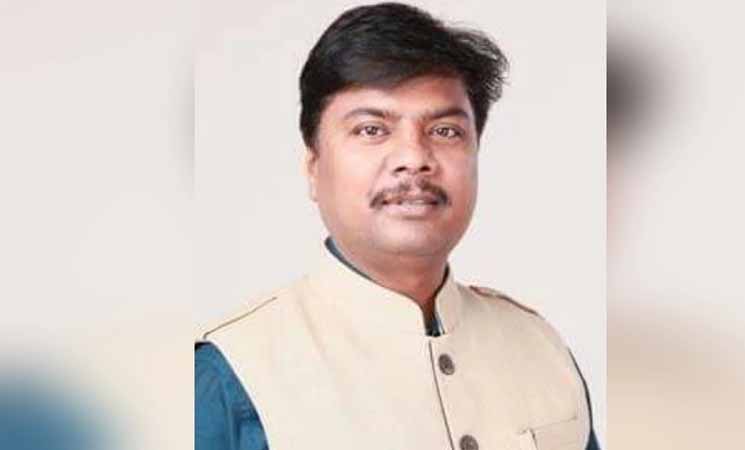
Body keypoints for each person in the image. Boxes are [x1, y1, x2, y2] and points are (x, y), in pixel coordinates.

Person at [195, 3, 600, 449]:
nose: (414, 158)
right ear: (313, 167)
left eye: (445, 131)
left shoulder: (540, 347)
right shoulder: (234, 373)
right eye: (371, 129)